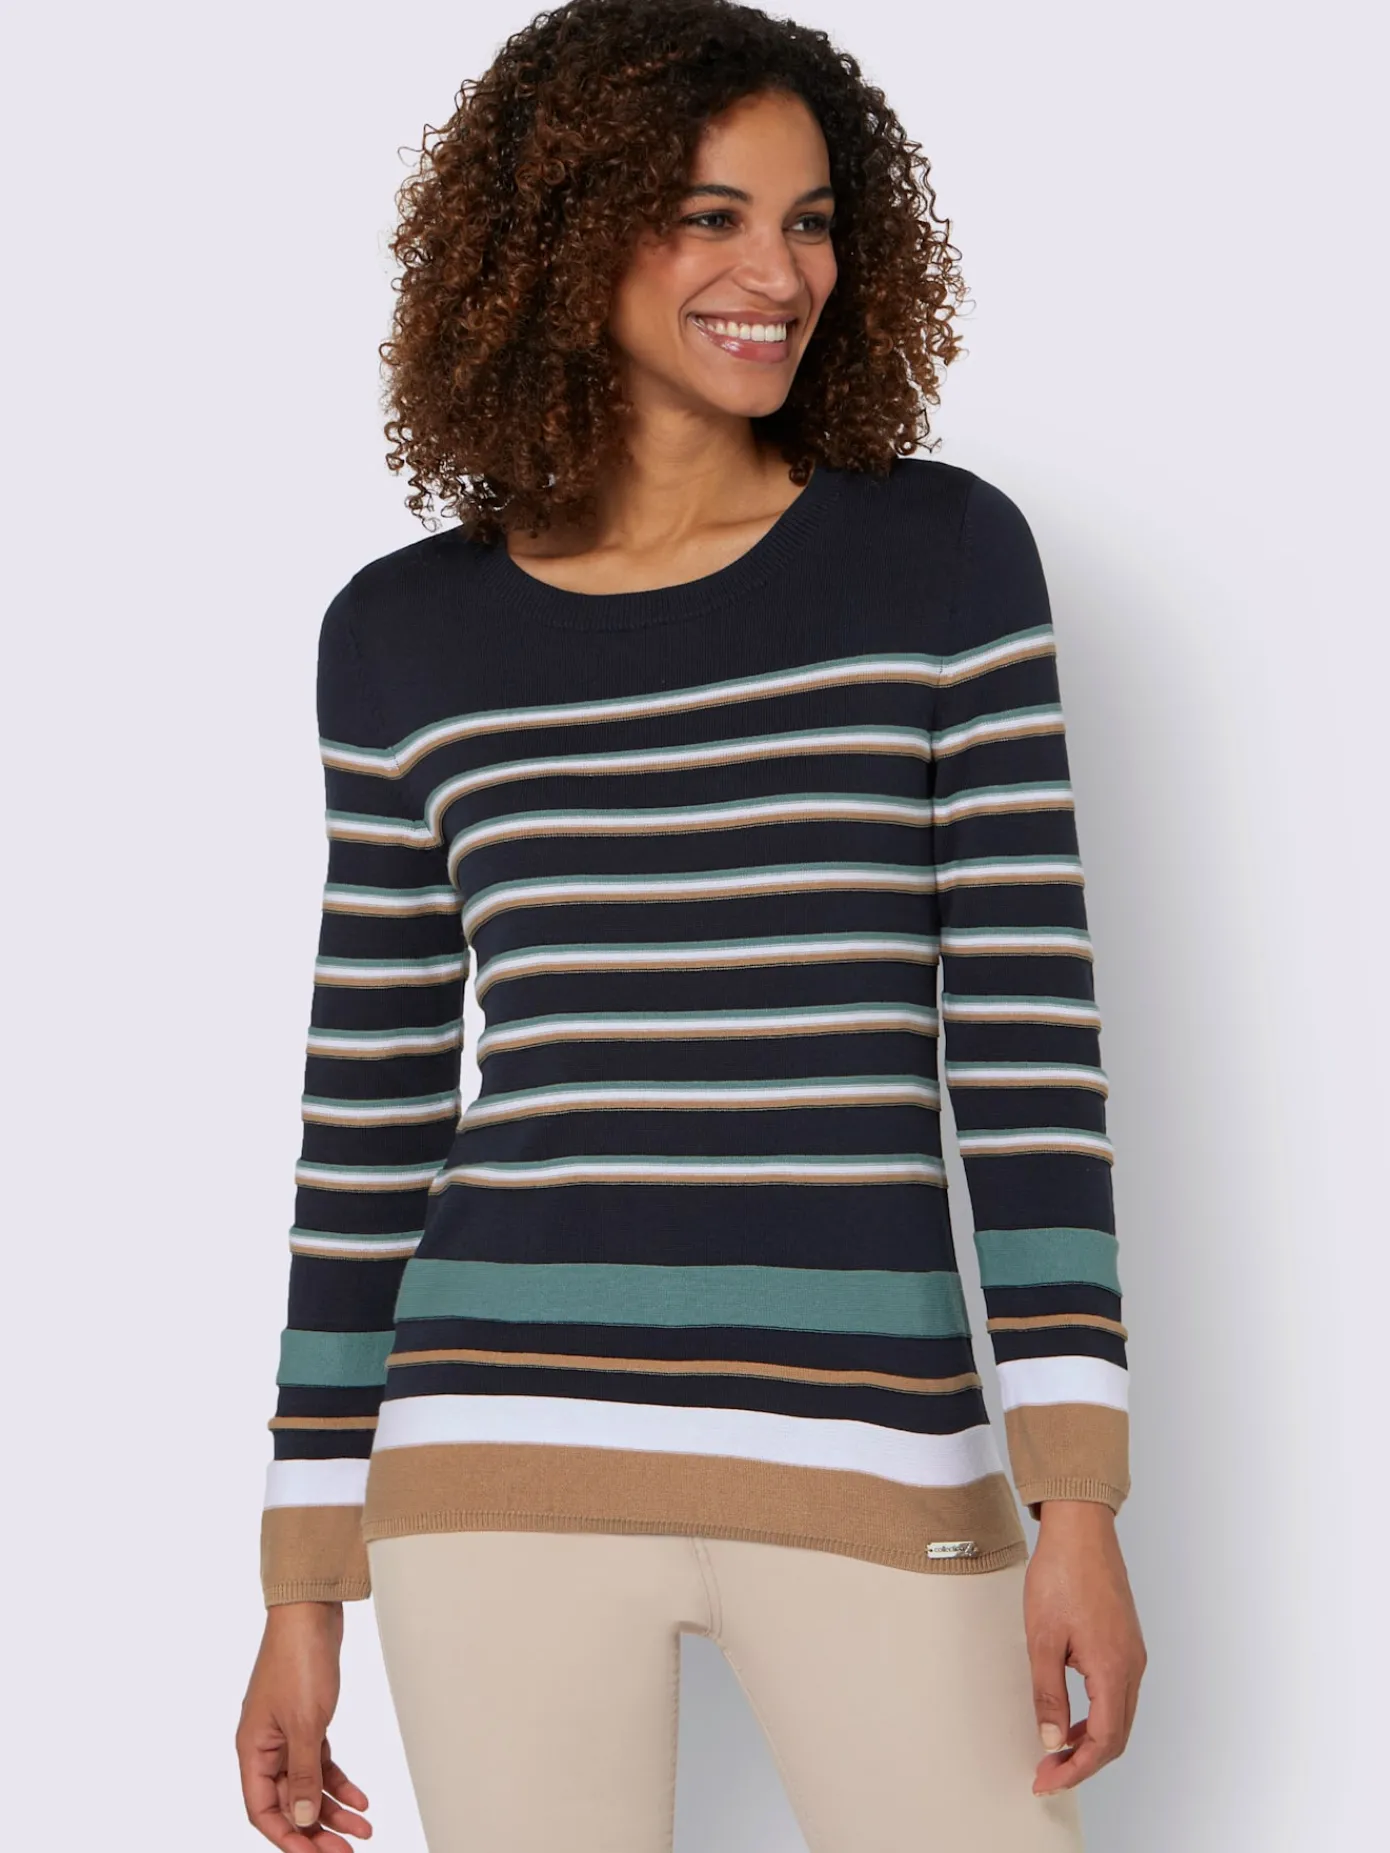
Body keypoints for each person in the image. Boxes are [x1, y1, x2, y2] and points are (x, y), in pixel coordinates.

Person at [236, 2, 1146, 1847]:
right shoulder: (401, 636)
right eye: (708, 216)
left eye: (809, 221)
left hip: (869, 1440)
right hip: (492, 1458)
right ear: (562, 237)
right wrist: (301, 1585)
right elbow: (370, 1115)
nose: (775, 272)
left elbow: (1024, 1048)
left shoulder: (936, 559)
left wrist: (1078, 1502)